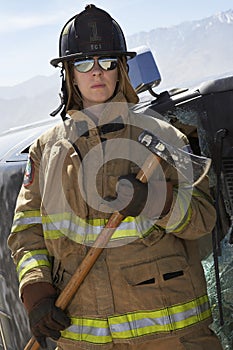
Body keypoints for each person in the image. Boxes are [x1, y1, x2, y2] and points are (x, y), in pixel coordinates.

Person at [8, 4, 223, 350]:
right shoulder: (45, 152)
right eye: (83, 63)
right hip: (83, 340)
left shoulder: (163, 139)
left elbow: (203, 222)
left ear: (120, 68)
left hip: (172, 338)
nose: (96, 72)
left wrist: (157, 201)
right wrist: (36, 292)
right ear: (69, 74)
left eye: (106, 62)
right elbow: (26, 235)